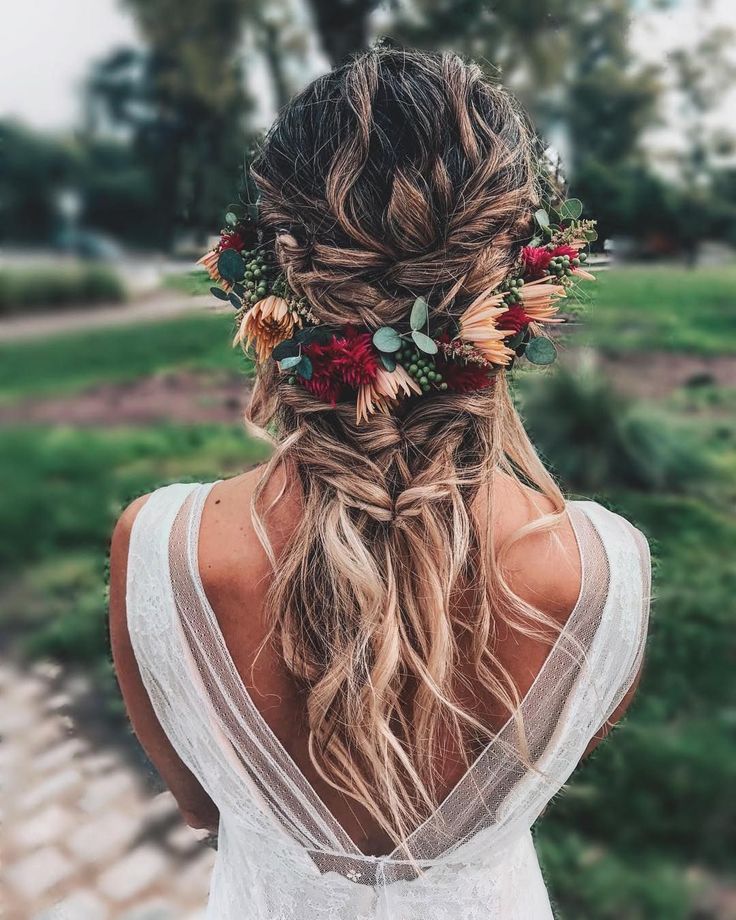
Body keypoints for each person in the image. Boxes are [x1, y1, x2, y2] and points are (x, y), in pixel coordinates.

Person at [109, 47, 651, 920]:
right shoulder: (608, 573)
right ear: (520, 279)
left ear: (272, 279)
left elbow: (202, 806)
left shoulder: (161, 548)